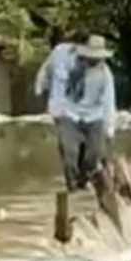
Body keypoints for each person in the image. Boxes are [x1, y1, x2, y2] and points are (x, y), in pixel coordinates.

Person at [46, 34, 116, 192]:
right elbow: (58, 89)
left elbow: (109, 102)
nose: (93, 61)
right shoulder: (70, 66)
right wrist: (56, 112)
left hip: (95, 117)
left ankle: (84, 181)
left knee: (94, 154)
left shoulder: (105, 75)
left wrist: (109, 128)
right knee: (70, 155)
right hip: (70, 114)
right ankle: (72, 187)